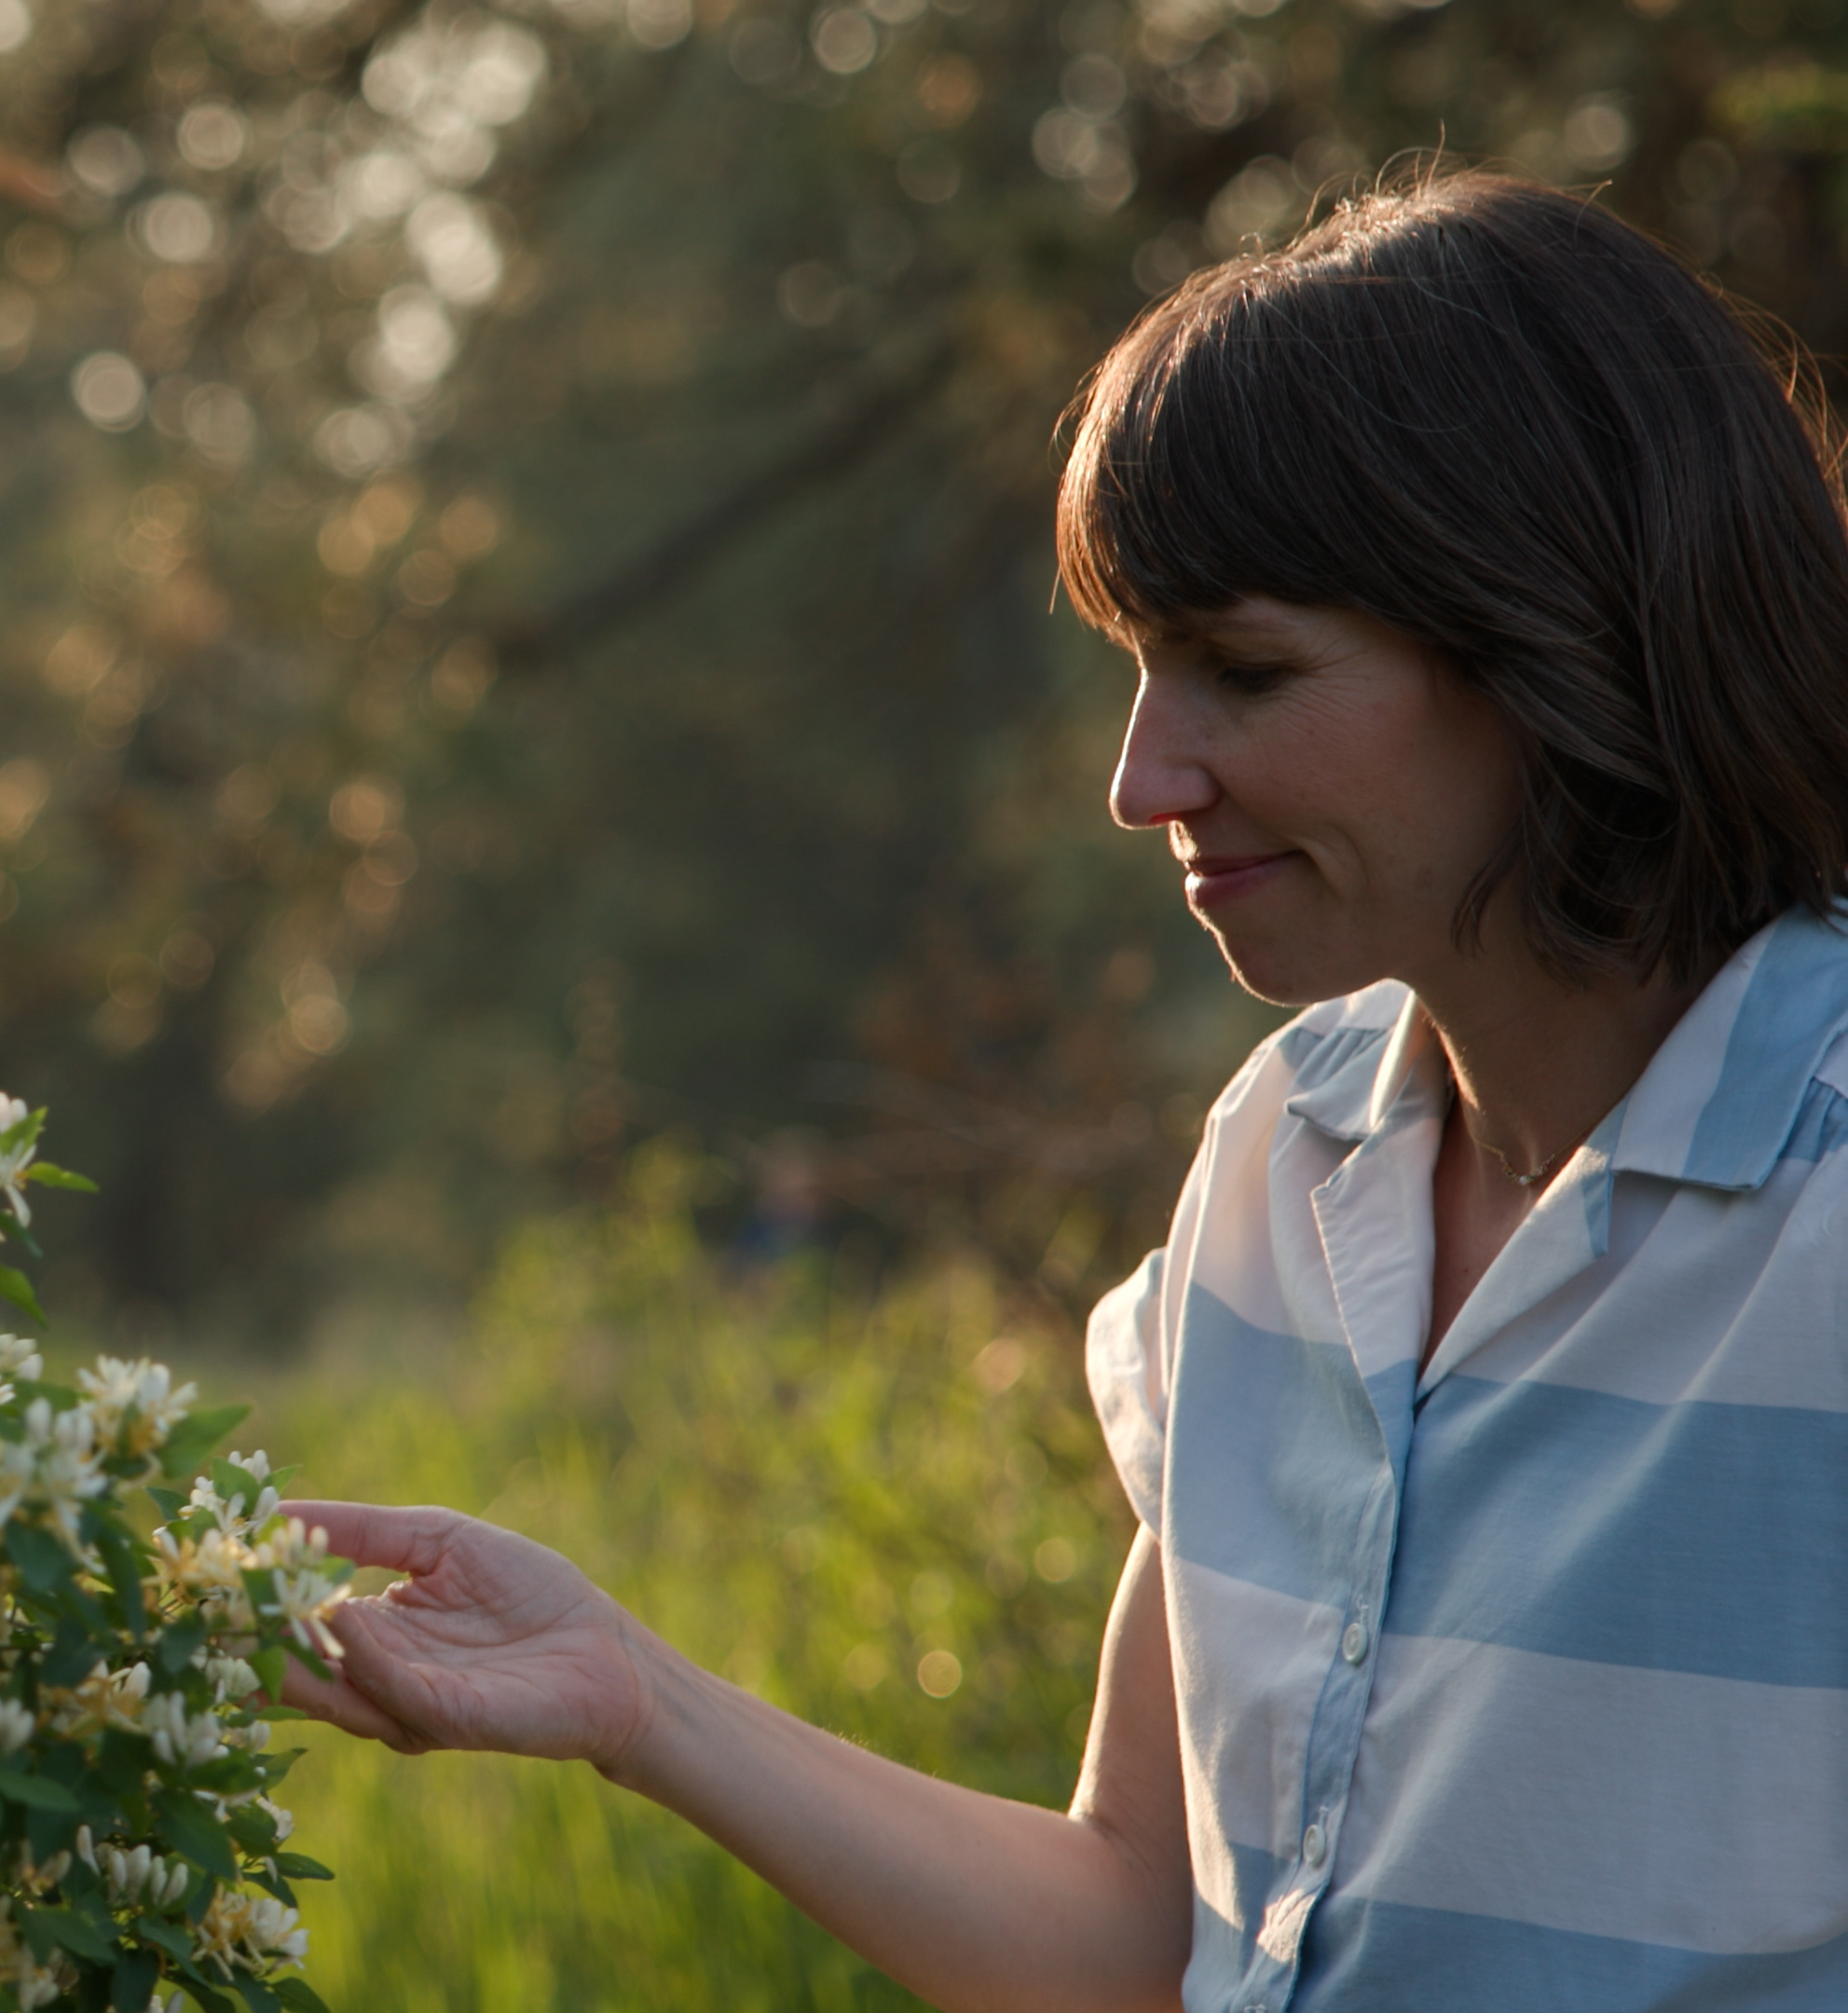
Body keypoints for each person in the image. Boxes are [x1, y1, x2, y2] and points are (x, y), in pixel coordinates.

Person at [276, 171, 1848, 2011]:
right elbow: (1132, 1931)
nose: (1141, 779)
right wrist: (635, 1699)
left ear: (1555, 641)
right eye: (1134, 672)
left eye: (1243, 672)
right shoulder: (1278, 1160)